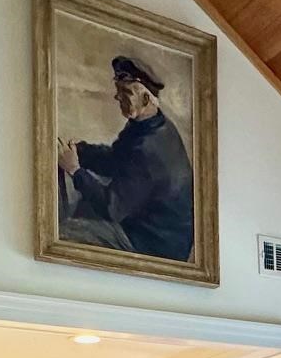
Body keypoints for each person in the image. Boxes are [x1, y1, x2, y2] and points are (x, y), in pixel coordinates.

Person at [56, 55, 194, 262]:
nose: (117, 97)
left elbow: (112, 208)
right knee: (84, 205)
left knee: (64, 232)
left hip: (154, 245)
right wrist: (82, 150)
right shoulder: (150, 125)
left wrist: (75, 170)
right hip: (150, 227)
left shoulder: (149, 148)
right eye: (118, 89)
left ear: (146, 99)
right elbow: (116, 160)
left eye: (125, 92)